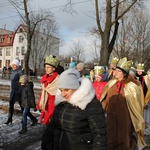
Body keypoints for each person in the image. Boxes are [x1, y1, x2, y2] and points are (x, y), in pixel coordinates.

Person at [41, 68, 107, 150]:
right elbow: (53, 124)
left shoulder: (89, 104)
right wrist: (45, 140)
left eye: (66, 90)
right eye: (61, 90)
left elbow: (99, 134)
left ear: (75, 88)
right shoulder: (61, 102)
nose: (63, 94)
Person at [100, 57, 146, 150]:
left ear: (124, 73)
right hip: (111, 118)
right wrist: (101, 110)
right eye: (115, 70)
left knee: (125, 140)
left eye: (118, 71)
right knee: (111, 138)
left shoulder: (132, 86)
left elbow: (136, 105)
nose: (115, 73)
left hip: (125, 118)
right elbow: (104, 100)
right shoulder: (111, 84)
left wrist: (135, 120)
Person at [36, 55, 59, 125]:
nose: (46, 69)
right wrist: (40, 104)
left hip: (53, 105)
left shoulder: (58, 79)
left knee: (52, 124)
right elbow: (42, 92)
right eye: (45, 67)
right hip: (45, 104)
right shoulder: (44, 79)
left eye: (48, 67)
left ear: (54, 68)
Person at [4, 59, 23, 125]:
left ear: (17, 65)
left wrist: (19, 91)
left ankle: (27, 118)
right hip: (13, 91)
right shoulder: (13, 71)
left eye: (14, 65)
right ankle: (9, 119)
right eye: (12, 65)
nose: (12, 66)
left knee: (22, 106)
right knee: (11, 105)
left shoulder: (20, 72)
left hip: (18, 92)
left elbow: (22, 82)